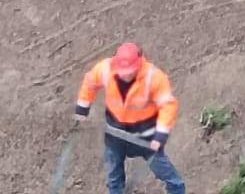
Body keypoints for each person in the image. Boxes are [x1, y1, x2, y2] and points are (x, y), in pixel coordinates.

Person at [75, 41, 184, 194]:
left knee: (165, 173)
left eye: (130, 71)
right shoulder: (106, 69)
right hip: (115, 133)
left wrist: (160, 136)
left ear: (139, 64)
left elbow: (168, 105)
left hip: (146, 136)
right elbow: (90, 83)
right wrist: (83, 106)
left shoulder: (154, 77)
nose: (126, 75)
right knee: (114, 176)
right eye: (123, 71)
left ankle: (177, 189)